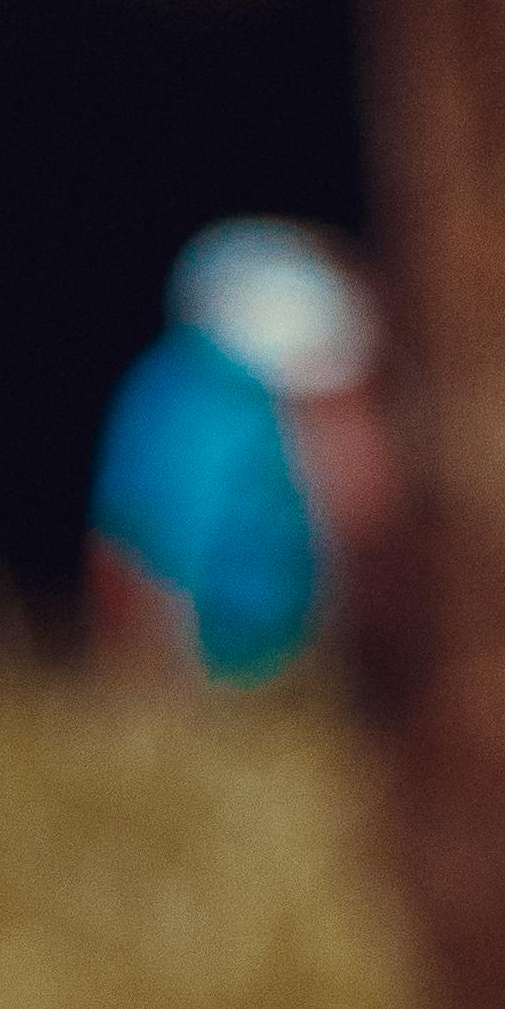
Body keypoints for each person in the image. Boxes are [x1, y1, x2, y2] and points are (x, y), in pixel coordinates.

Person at [87, 217, 392, 691]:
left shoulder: (180, 389)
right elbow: (135, 559)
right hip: (226, 681)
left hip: (296, 675)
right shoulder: (201, 403)